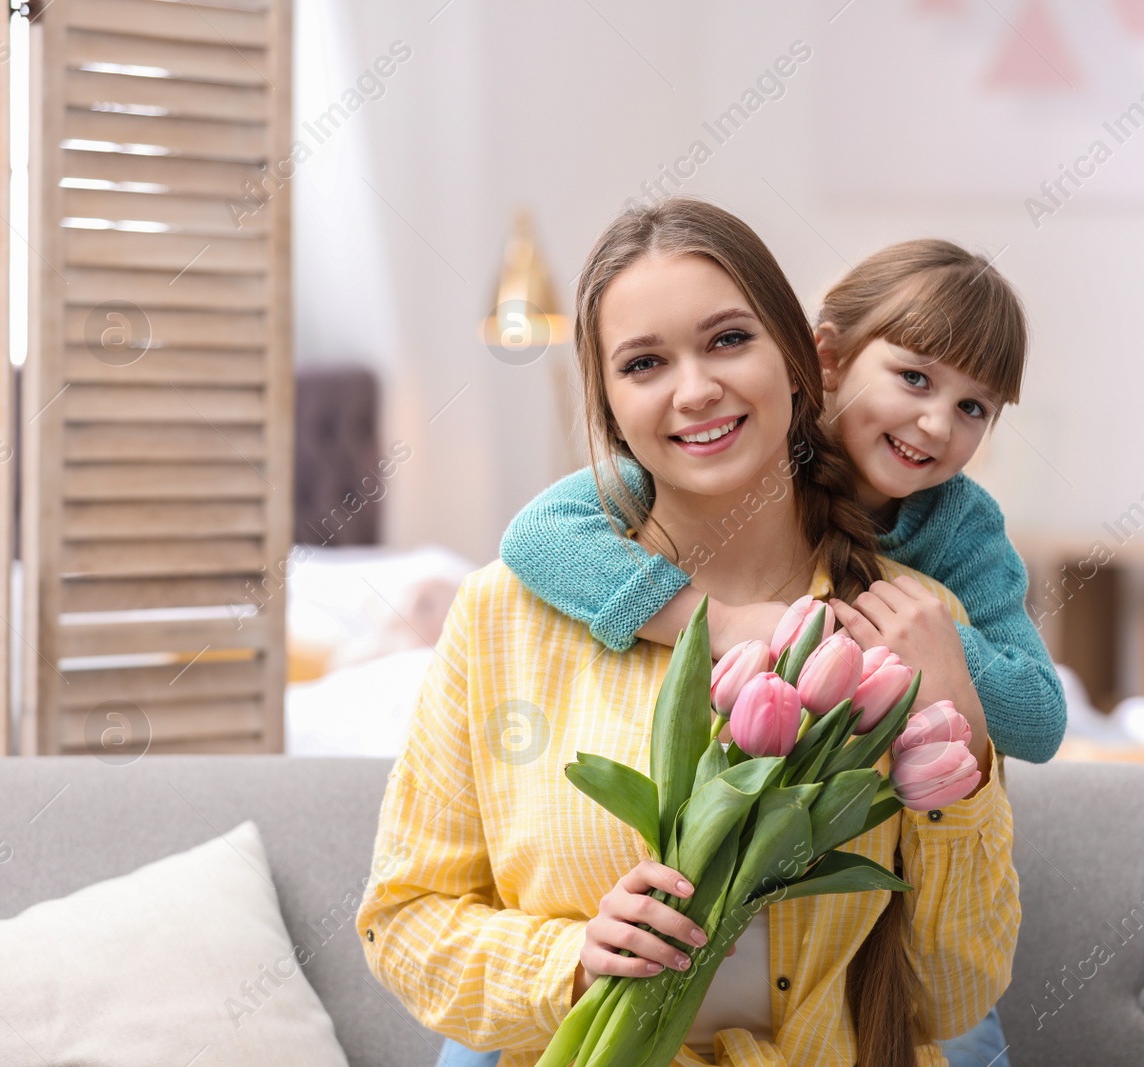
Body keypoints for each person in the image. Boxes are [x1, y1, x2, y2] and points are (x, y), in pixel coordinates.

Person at [359, 198, 1019, 1067]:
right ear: (610, 404)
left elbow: (955, 996)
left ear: (800, 362)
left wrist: (959, 757)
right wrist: (573, 963)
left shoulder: (913, 624)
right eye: (644, 362)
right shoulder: (501, 617)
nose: (695, 388)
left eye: (727, 340)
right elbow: (405, 919)